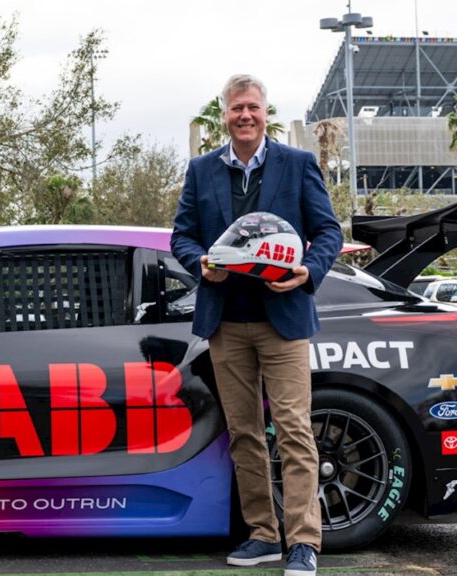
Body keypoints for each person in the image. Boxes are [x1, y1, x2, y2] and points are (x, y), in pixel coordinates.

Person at [171, 74, 342, 576]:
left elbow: (327, 230)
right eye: (235, 108)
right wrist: (202, 262)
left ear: (265, 113)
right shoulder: (201, 170)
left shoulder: (298, 164)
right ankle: (263, 535)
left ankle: (304, 542)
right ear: (223, 115)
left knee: (293, 431)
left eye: (252, 107)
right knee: (244, 433)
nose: (244, 115)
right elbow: (182, 236)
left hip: (284, 321)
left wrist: (309, 271)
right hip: (227, 322)